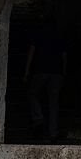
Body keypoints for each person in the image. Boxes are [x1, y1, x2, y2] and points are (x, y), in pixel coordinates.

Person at [23, 12, 67, 143]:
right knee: (54, 103)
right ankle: (53, 132)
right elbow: (65, 56)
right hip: (56, 73)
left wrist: (26, 72)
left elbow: (31, 53)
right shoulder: (59, 36)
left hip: (40, 71)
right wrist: (64, 73)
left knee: (32, 94)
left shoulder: (38, 34)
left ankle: (38, 118)